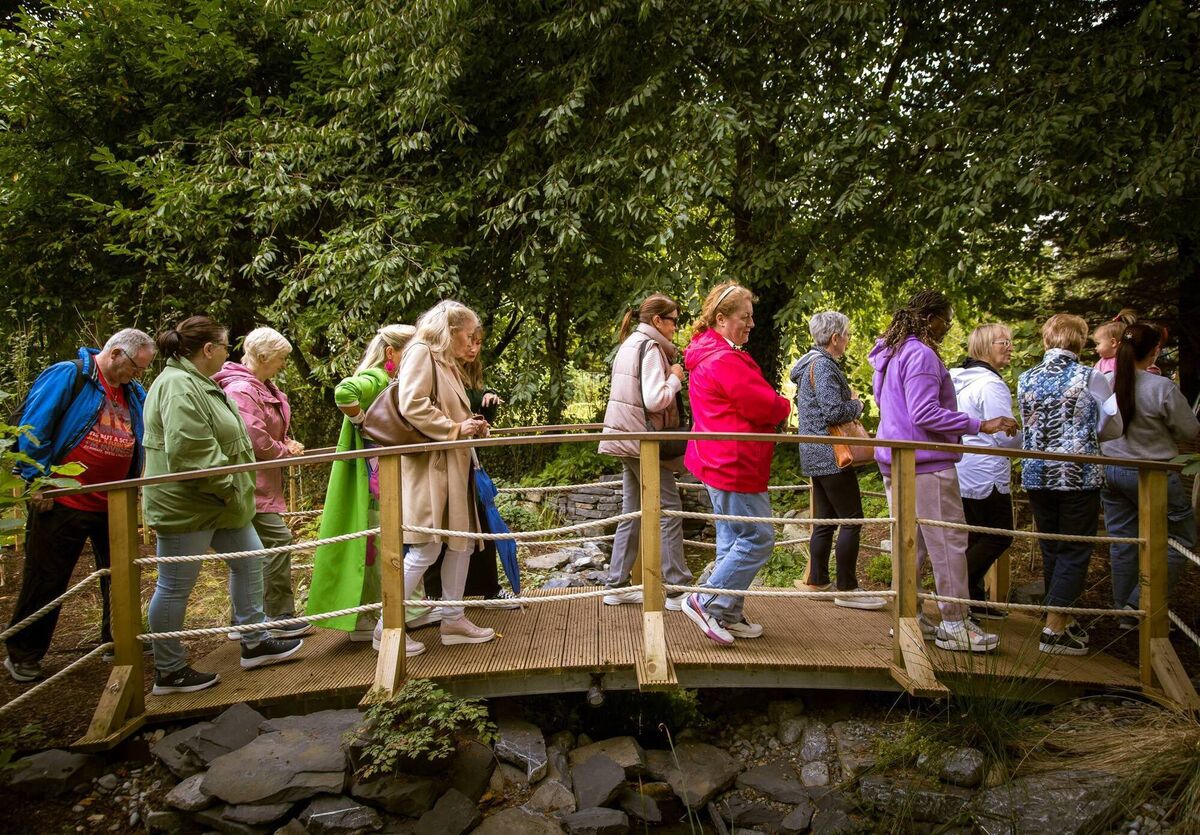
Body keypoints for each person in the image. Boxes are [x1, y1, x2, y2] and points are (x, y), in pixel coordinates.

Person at [143, 316, 303, 695]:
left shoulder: (199, 382)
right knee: (175, 585)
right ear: (208, 349)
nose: (229, 354)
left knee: (250, 559)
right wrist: (231, 488)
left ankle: (254, 640)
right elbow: (191, 451)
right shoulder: (178, 386)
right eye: (225, 346)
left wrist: (233, 492)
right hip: (190, 504)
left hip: (221, 502)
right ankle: (169, 670)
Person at [4, 329, 155, 683]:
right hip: (62, 498)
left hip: (114, 500)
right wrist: (38, 480)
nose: (138, 374)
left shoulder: (133, 392)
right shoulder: (70, 375)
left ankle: (118, 640)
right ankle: (23, 653)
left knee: (120, 574)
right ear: (116, 354)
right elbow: (35, 426)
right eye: (136, 367)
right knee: (47, 577)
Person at [870, 290, 1016, 653]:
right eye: (945, 320)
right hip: (926, 462)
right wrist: (981, 424)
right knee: (949, 542)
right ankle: (955, 622)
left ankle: (910, 614)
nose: (948, 327)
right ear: (929, 318)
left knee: (912, 543)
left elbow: (886, 403)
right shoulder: (919, 354)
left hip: (899, 459)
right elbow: (923, 412)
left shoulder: (891, 353)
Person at [680, 282, 791, 645]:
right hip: (734, 462)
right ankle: (707, 601)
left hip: (719, 459)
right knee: (757, 537)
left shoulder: (708, 353)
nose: (752, 324)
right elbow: (763, 404)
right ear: (721, 319)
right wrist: (784, 405)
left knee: (732, 540)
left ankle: (725, 612)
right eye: (745, 317)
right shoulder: (723, 359)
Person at [1019, 313, 1123, 655]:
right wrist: (1084, 433)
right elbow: (1113, 425)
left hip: (1036, 473)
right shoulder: (1091, 377)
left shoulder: (1025, 378)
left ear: (1046, 340)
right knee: (1075, 549)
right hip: (1078, 474)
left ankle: (1061, 617)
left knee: (1052, 546)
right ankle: (1053, 630)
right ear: (1080, 342)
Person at [395, 300, 496, 656]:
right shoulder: (421, 352)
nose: (472, 342)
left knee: (461, 542)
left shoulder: (447, 362)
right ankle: (385, 626)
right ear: (450, 331)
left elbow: (451, 411)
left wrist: (471, 425)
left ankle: (453, 619)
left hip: (455, 465)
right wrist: (454, 428)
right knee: (426, 546)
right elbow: (412, 403)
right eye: (468, 335)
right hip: (432, 468)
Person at [308, 325, 420, 641]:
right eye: (410, 353)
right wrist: (363, 422)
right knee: (378, 550)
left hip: (379, 481)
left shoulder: (389, 381)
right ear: (391, 353)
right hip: (374, 485)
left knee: (376, 548)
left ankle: (386, 615)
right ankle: (379, 621)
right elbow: (344, 392)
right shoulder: (378, 378)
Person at [598, 294, 694, 610]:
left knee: (633, 509)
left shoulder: (629, 344)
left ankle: (617, 584)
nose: (676, 327)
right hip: (643, 442)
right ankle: (678, 588)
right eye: (674, 321)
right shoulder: (650, 349)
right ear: (657, 321)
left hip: (626, 436)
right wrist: (675, 379)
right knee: (669, 507)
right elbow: (655, 399)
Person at [1100, 322, 1199, 628]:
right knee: (1182, 535)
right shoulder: (1161, 387)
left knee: (1124, 541)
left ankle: (1125, 612)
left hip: (1112, 470)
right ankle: (1139, 602)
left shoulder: (1106, 381)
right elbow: (1189, 430)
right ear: (1155, 350)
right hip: (1153, 472)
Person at [213, 327, 309, 639]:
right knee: (278, 540)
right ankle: (277, 616)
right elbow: (254, 438)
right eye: (281, 358)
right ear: (264, 356)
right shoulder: (242, 389)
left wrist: (286, 442)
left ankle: (243, 622)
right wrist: (285, 450)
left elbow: (268, 429)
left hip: (262, 483)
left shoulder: (263, 387)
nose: (283, 363)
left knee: (249, 553)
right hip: (249, 484)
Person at [789, 311, 885, 610]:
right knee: (852, 519)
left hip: (815, 452)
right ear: (835, 338)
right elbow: (833, 412)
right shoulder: (824, 366)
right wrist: (856, 404)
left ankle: (818, 580)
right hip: (832, 454)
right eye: (847, 335)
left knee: (825, 521)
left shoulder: (809, 365)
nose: (848, 340)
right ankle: (847, 588)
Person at [422, 325, 520, 607]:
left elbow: (472, 411)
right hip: (439, 460)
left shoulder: (469, 371)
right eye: (469, 340)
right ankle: (435, 597)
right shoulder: (433, 366)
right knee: (439, 533)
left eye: (478, 342)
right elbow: (427, 412)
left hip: (467, 460)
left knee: (479, 527)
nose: (474, 348)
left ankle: (487, 589)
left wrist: (486, 406)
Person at [950, 324, 1021, 620]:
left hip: (962, 466)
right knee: (999, 534)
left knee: (975, 535)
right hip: (985, 472)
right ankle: (955, 591)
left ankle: (972, 599)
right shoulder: (991, 384)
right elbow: (1006, 435)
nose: (1010, 347)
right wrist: (1026, 436)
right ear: (984, 347)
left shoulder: (956, 379)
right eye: (1003, 342)